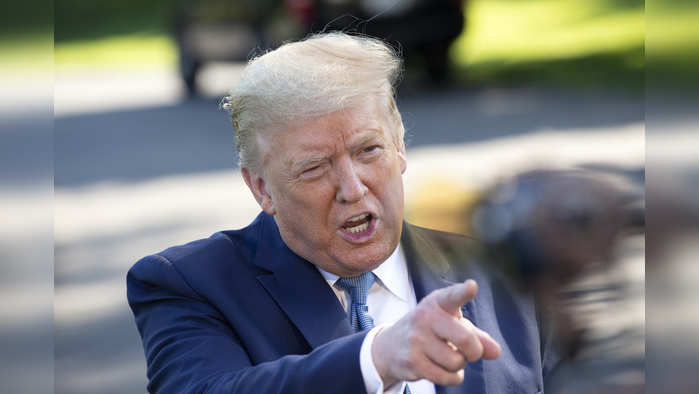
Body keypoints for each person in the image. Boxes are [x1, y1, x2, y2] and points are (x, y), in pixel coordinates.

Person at [127, 32, 559, 394]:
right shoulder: (187, 284)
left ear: (400, 147)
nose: (352, 189)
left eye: (368, 150)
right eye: (314, 168)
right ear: (261, 187)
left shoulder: (501, 270)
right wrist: (376, 358)